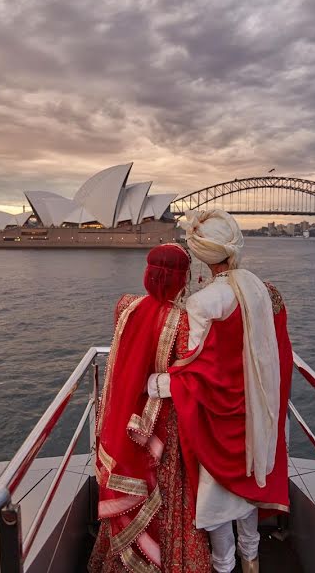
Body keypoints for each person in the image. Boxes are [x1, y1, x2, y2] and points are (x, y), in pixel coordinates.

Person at [150, 210, 293, 573]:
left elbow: (197, 369)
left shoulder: (204, 302)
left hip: (220, 422)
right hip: (258, 415)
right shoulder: (268, 292)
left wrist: (156, 384)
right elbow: (279, 355)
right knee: (248, 499)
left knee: (219, 505)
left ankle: (225, 565)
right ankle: (253, 561)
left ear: (202, 256)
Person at [89, 243, 210, 573]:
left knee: (132, 488)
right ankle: (165, 560)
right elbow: (188, 377)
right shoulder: (184, 321)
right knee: (166, 493)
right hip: (160, 422)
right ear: (183, 278)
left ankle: (122, 562)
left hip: (124, 418)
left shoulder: (125, 306)